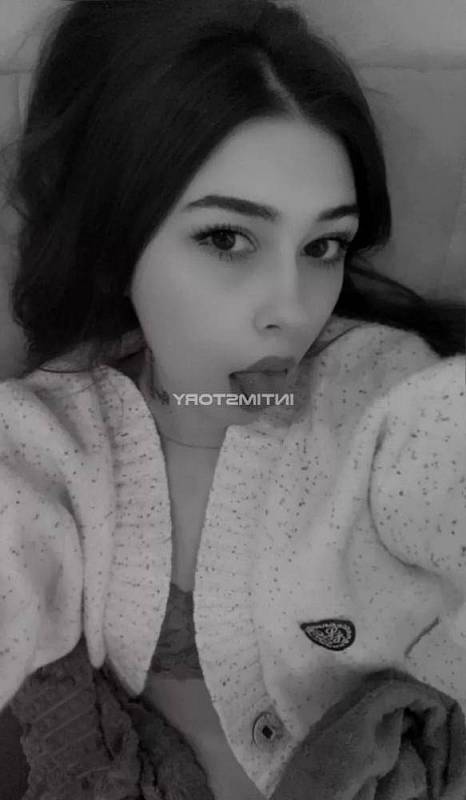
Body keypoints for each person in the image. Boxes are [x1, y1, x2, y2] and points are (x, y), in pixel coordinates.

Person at [0, 0, 465, 798]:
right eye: (226, 238)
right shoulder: (48, 443)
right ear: (114, 243)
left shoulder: (388, 405)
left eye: (323, 245)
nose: (291, 306)